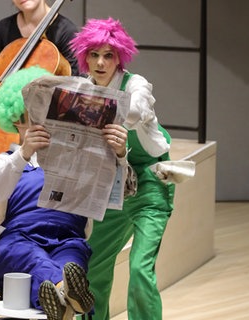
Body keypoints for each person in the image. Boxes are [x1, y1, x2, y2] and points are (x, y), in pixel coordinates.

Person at [0, 66, 129, 320]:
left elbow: (120, 194)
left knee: (72, 262)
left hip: (67, 239)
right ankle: (67, 294)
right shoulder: (0, 161)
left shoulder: (82, 160)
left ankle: (61, 296)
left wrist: (120, 155)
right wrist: (23, 154)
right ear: (17, 117)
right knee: (34, 259)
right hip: (18, 241)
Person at [69, 18, 175, 320]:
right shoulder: (81, 88)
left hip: (150, 183)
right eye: (93, 55)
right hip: (111, 186)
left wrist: (88, 109)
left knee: (141, 268)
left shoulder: (136, 84)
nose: (100, 63)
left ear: (120, 58)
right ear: (84, 57)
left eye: (109, 55)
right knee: (92, 268)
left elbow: (137, 110)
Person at [0, 0, 79, 123]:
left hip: (42, 121)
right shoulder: (4, 28)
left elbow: (76, 86)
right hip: (3, 117)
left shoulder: (65, 31)